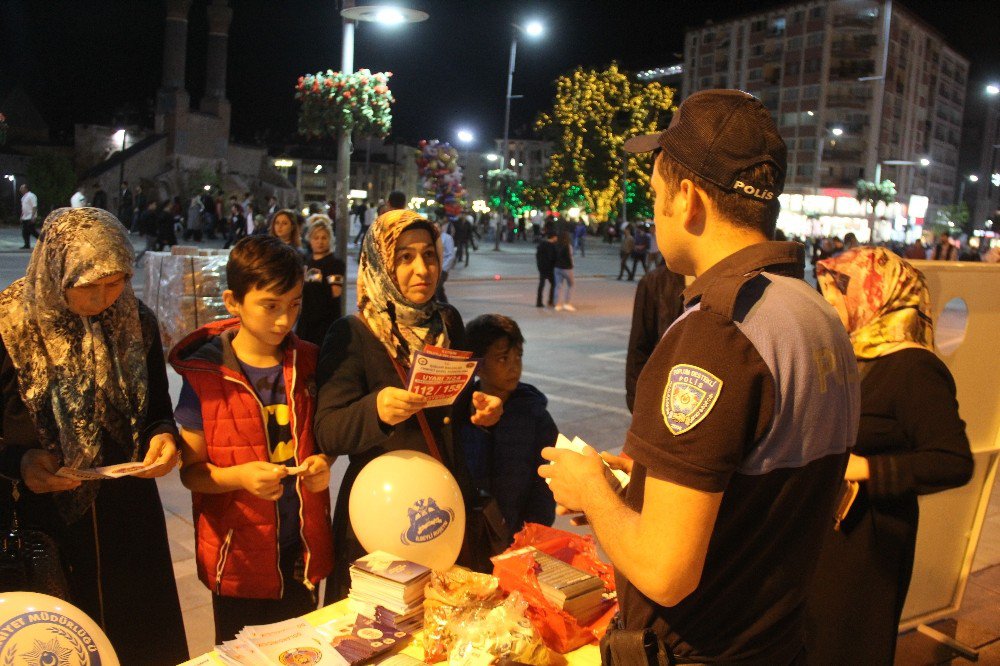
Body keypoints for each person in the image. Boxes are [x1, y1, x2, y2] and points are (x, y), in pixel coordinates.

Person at [540, 89, 859, 664]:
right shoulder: (814, 313)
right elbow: (762, 484)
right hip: (776, 642)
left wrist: (590, 488)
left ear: (686, 199)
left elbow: (666, 571)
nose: (654, 210)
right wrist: (644, 483)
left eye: (656, 195)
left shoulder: (719, 332)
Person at [0, 207, 187, 664]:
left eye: (117, 281)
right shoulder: (10, 326)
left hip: (127, 517)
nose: (104, 298)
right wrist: (20, 464)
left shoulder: (134, 320)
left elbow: (157, 410)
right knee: (59, 642)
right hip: (43, 521)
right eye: (88, 285)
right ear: (55, 271)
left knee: (138, 641)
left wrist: (164, 438)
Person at [314, 209, 502, 598]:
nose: (422, 269)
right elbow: (327, 430)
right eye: (405, 257)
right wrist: (376, 410)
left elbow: (454, 405)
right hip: (383, 513)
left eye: (429, 255)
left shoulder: (447, 321)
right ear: (382, 263)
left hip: (446, 504)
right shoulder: (353, 333)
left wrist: (478, 409)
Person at [805, 247, 973, 664]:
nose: (829, 303)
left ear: (877, 294)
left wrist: (867, 468)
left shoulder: (915, 368)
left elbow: (953, 460)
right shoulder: (848, 355)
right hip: (821, 535)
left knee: (847, 648)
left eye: (839, 291)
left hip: (867, 546)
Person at [169, 235, 335, 643]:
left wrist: (321, 464)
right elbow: (192, 473)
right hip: (238, 561)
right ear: (233, 301)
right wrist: (239, 477)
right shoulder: (205, 377)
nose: (284, 321)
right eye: (270, 306)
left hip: (300, 553)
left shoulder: (310, 364)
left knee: (301, 650)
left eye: (294, 305)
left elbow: (324, 436)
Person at [459, 314, 557, 536]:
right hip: (470, 531)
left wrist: (533, 531)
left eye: (518, 356)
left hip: (519, 533)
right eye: (503, 358)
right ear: (478, 366)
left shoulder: (534, 414)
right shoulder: (461, 410)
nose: (514, 367)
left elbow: (545, 483)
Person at [625, 264, 686, 412]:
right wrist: (637, 404)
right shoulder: (654, 282)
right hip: (661, 400)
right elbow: (638, 349)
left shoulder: (726, 283)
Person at [298, 215, 346, 346]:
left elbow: (335, 293)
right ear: (310, 240)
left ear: (330, 240)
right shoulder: (307, 262)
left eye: (324, 238)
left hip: (325, 323)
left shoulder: (335, 264)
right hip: (306, 320)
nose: (320, 241)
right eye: (316, 238)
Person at [435, 218, 457, 304]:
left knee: (436, 289)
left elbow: (451, 255)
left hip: (443, 268)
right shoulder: (432, 237)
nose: (436, 229)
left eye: (437, 227)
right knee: (439, 290)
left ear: (441, 228)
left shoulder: (447, 238)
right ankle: (446, 305)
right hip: (434, 268)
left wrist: (444, 268)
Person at [553, 230, 575, 311]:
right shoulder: (568, 246)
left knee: (558, 286)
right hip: (567, 268)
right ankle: (567, 303)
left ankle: (557, 304)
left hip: (557, 267)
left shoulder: (556, 245)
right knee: (571, 285)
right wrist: (572, 265)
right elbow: (570, 257)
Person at [535, 229, 557, 307]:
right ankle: (550, 301)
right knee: (554, 284)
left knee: (541, 284)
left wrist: (539, 265)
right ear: (554, 237)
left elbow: (537, 256)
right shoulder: (552, 246)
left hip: (541, 267)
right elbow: (553, 258)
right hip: (549, 268)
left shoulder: (541, 244)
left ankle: (539, 301)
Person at [19, 183, 39, 249]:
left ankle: (44, 241)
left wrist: (33, 216)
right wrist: (22, 216)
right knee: (25, 232)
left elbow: (34, 206)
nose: (20, 189)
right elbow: (23, 208)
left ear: (26, 189)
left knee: (32, 231)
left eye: (22, 188)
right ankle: (27, 245)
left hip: (30, 216)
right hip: (25, 217)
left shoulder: (31, 196)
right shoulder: (23, 197)